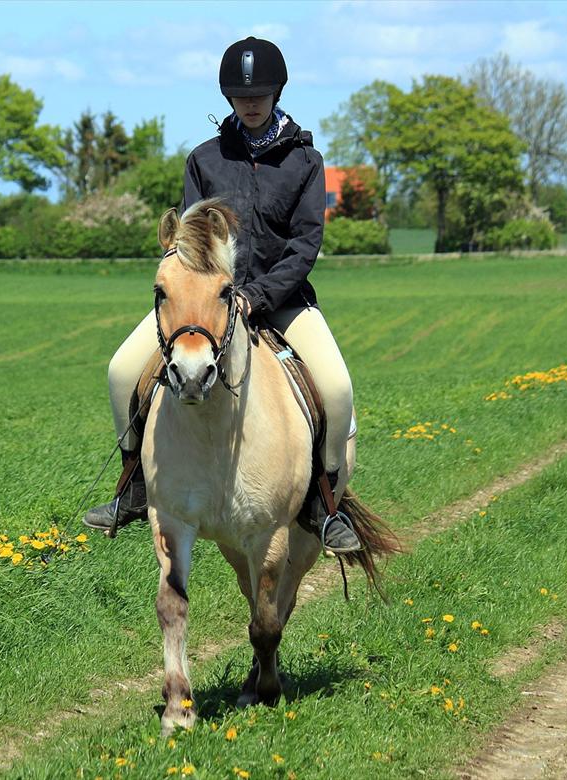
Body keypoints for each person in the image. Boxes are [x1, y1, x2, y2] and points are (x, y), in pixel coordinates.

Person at [82, 36, 361, 554]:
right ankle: (134, 488)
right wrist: (212, 294)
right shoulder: (204, 160)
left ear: (277, 93)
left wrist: (256, 296)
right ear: (228, 97)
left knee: (338, 388)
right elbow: (193, 244)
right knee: (121, 371)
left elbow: (305, 244)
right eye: (240, 95)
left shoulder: (305, 161)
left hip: (283, 302)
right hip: (207, 304)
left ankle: (324, 505)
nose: (250, 103)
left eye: (259, 94)